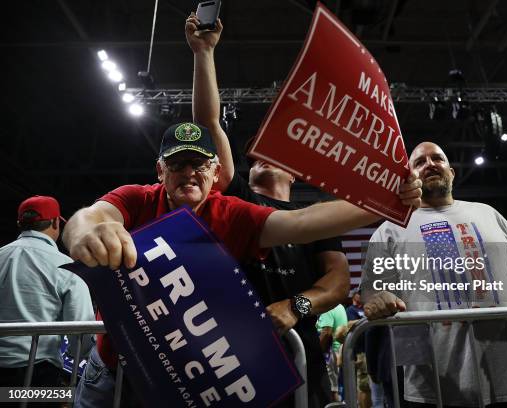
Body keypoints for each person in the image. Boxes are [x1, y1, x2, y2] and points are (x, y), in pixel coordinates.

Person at [63, 121, 421, 407]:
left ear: (215, 171)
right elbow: (89, 218)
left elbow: (300, 223)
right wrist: (88, 232)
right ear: (160, 170)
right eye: (177, 164)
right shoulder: (136, 199)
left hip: (184, 378)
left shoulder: (231, 214)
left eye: (199, 164)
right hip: (115, 370)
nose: (189, 173)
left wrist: (385, 203)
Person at [187, 14, 350, 406]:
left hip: (300, 358)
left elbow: (339, 282)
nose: (260, 154)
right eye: (255, 152)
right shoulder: (238, 197)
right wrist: (204, 52)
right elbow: (209, 124)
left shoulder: (315, 219)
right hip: (233, 359)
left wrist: (297, 306)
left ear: (295, 173)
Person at [361, 142, 507, 407]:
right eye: (420, 162)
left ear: (452, 172)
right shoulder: (391, 228)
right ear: (409, 178)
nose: (430, 164)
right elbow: (370, 289)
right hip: (435, 379)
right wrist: (377, 298)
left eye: (437, 158)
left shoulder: (487, 213)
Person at [0, 196, 94, 398]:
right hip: (37, 372)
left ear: (20, 224)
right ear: (55, 222)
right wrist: (76, 356)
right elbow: (83, 330)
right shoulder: (66, 266)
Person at [317, 304, 348, 401]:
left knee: (332, 389)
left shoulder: (327, 308)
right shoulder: (340, 306)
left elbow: (326, 332)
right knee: (336, 388)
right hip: (339, 351)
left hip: (331, 354)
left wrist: (316, 353)